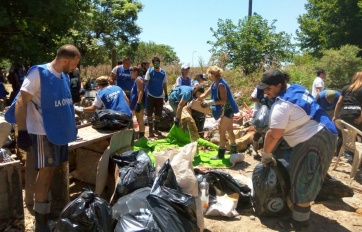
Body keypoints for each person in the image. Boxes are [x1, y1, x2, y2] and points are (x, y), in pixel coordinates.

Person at [5, 44, 81, 231]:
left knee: (53, 171)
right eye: (74, 63)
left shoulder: (63, 75)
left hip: (58, 132)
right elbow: (21, 101)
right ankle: (41, 222)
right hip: (42, 132)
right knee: (45, 174)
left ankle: (48, 212)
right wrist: (22, 131)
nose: (75, 68)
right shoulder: (38, 74)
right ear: (64, 60)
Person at [257, 70, 337, 230]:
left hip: (314, 137)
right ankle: (299, 212)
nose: (266, 92)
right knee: (301, 174)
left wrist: (265, 155)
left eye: (269, 88)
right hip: (324, 131)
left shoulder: (282, 105)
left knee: (303, 179)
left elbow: (273, 135)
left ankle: (299, 223)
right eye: (264, 89)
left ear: (279, 85)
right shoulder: (295, 88)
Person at [200, 66, 239, 159]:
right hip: (225, 109)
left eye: (209, 74)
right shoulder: (214, 83)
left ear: (213, 74)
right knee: (229, 129)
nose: (208, 76)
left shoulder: (221, 85)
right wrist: (196, 100)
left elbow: (224, 100)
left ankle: (221, 154)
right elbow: (205, 94)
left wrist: (210, 102)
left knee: (222, 130)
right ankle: (234, 151)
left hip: (227, 108)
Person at [145, 57, 168, 138]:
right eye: (155, 63)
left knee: (158, 114)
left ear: (159, 63)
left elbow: (164, 84)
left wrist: (166, 94)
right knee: (149, 114)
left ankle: (156, 129)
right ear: (153, 64)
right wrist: (145, 94)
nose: (157, 64)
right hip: (150, 95)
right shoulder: (149, 71)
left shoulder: (163, 73)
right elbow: (146, 83)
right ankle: (150, 130)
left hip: (160, 96)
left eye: (158, 63)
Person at [129, 66, 146, 139]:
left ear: (136, 72)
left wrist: (138, 104)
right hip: (135, 103)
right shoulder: (136, 80)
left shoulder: (139, 79)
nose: (130, 73)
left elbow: (141, 91)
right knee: (139, 120)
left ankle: (140, 137)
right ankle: (139, 137)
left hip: (137, 103)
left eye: (131, 72)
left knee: (136, 120)